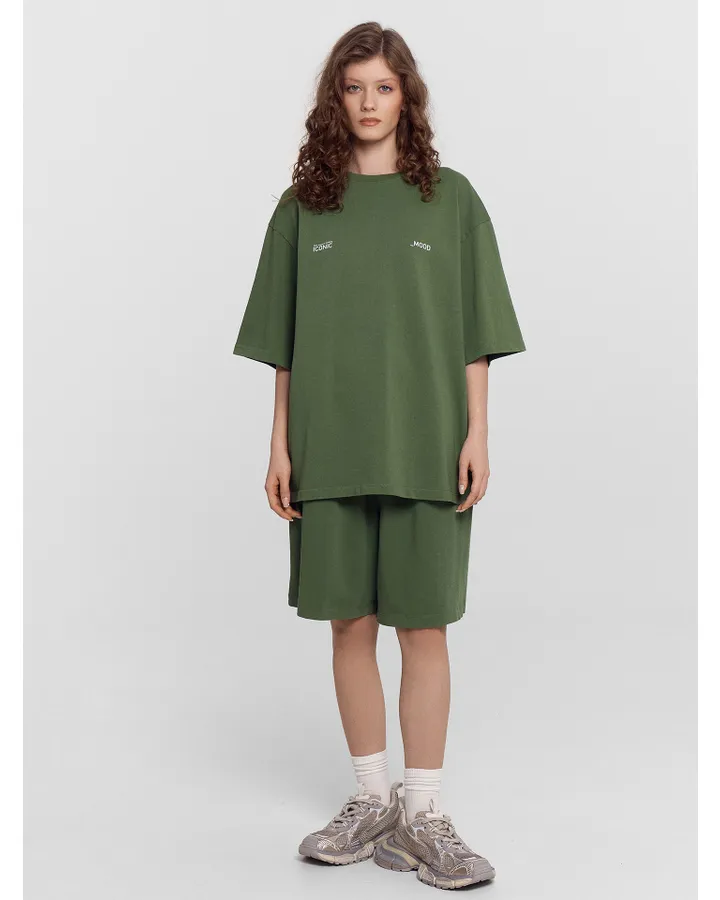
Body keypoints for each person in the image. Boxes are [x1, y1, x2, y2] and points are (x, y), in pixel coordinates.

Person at [232, 22, 525, 891]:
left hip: (427, 446)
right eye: (354, 87)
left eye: (384, 87)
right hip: (327, 447)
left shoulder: (452, 200)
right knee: (349, 625)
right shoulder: (302, 207)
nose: (368, 102)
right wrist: (279, 443)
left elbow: (476, 335)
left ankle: (423, 815)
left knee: (423, 626)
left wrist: (477, 433)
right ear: (336, 98)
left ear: (407, 98)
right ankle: (370, 802)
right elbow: (283, 346)